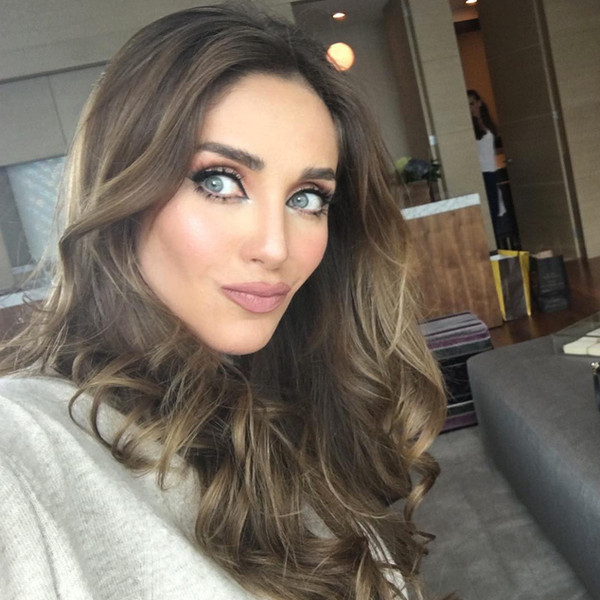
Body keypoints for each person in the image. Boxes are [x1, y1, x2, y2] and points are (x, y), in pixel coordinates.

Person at [0, 5, 448, 600]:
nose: (275, 248)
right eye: (218, 181)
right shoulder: (25, 446)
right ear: (121, 187)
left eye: (308, 198)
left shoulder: (304, 398)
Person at [467, 89, 502, 238]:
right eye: (468, 105)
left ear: (479, 103)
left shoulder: (487, 123)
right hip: (482, 172)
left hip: (492, 171)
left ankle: (494, 240)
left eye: (472, 103)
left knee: (494, 209)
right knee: (487, 211)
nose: (471, 107)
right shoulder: (469, 127)